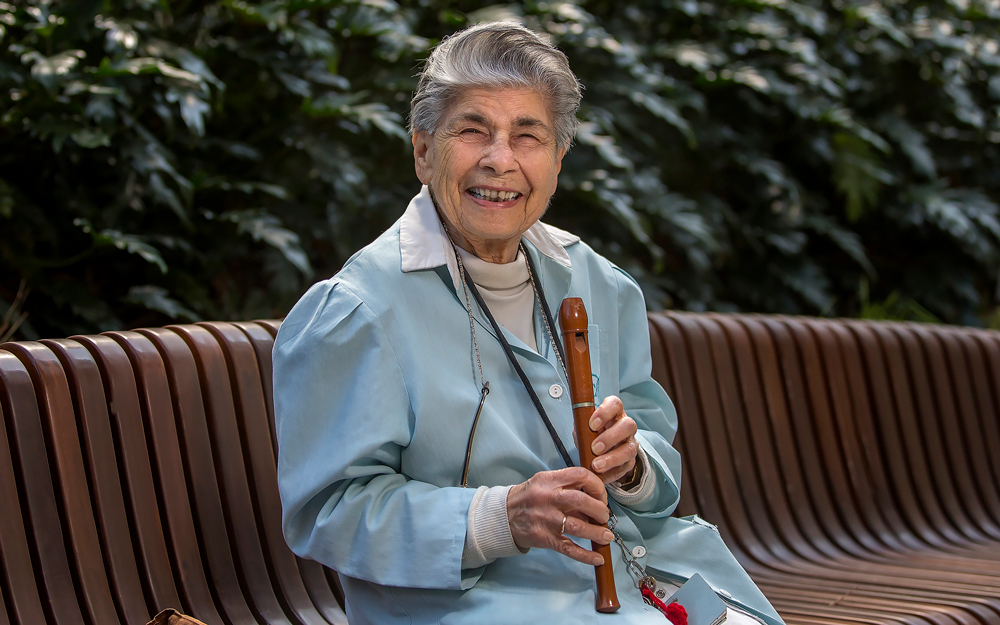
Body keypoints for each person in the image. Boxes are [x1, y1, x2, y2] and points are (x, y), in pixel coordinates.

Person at [273, 21, 784, 625]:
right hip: (476, 606)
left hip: (649, 580)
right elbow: (328, 512)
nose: (500, 160)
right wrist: (503, 515)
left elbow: (655, 459)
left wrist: (633, 466)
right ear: (422, 150)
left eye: (528, 135)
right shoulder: (359, 308)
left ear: (558, 159)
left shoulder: (598, 283)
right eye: (472, 130)